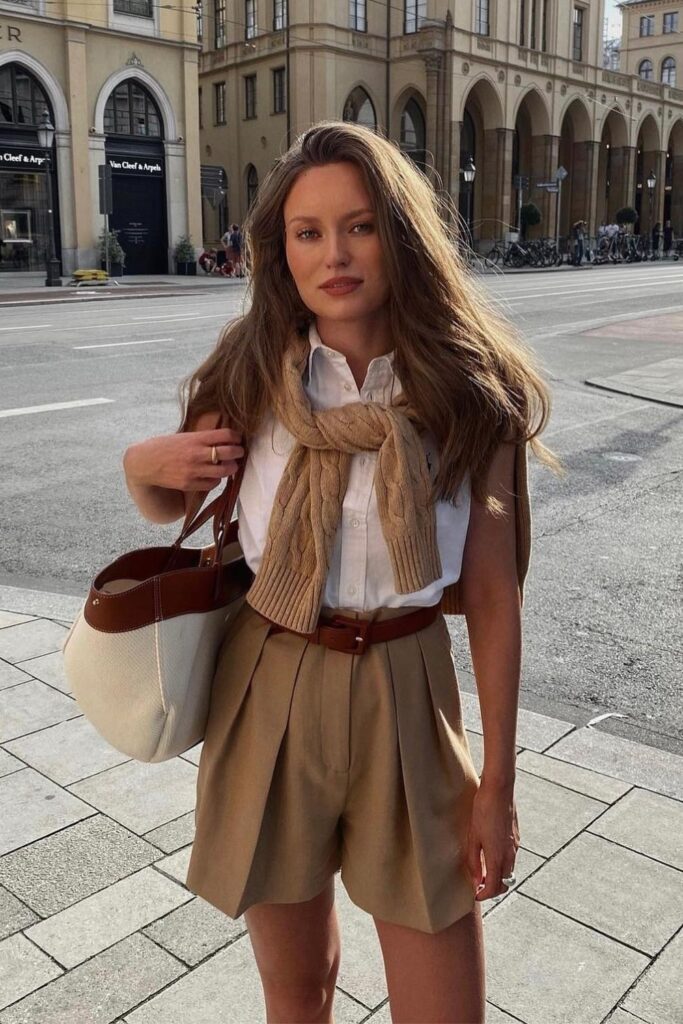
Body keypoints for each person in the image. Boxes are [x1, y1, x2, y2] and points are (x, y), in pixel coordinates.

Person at [122, 121, 561, 1023]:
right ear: (279, 252)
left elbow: (488, 596)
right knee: (297, 992)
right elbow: (180, 502)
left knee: (444, 1006)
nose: (335, 254)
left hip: (407, 685)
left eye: (358, 226)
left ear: (400, 233)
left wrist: (499, 785)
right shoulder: (250, 371)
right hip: (269, 679)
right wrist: (141, 470)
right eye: (307, 232)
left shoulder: (471, 391)